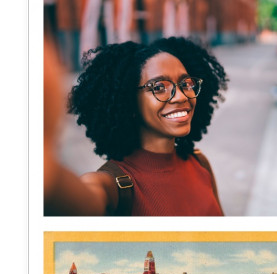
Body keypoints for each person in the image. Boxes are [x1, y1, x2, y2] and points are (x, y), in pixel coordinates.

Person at [45, 36, 228, 216]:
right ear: (129, 101)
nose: (181, 96)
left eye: (186, 83)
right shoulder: (111, 186)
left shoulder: (200, 163)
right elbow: (70, 199)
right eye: (159, 87)